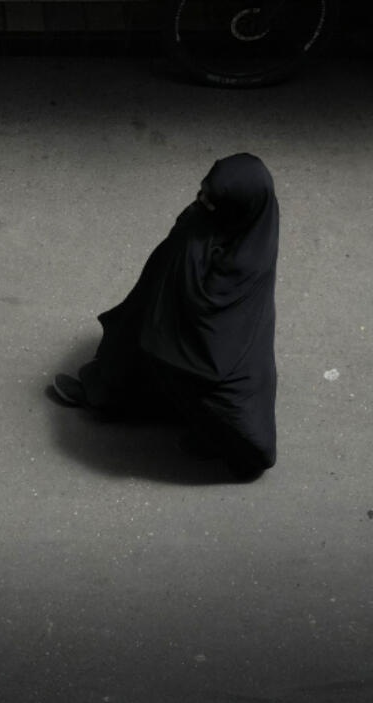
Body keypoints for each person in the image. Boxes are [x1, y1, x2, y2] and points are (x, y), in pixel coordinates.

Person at [52, 153, 278, 479]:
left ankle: (213, 438)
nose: (200, 202)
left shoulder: (236, 256)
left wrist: (188, 256)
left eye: (211, 201)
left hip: (207, 344)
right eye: (202, 192)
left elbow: (216, 332)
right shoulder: (242, 218)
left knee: (220, 402)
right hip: (164, 306)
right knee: (129, 339)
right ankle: (102, 394)